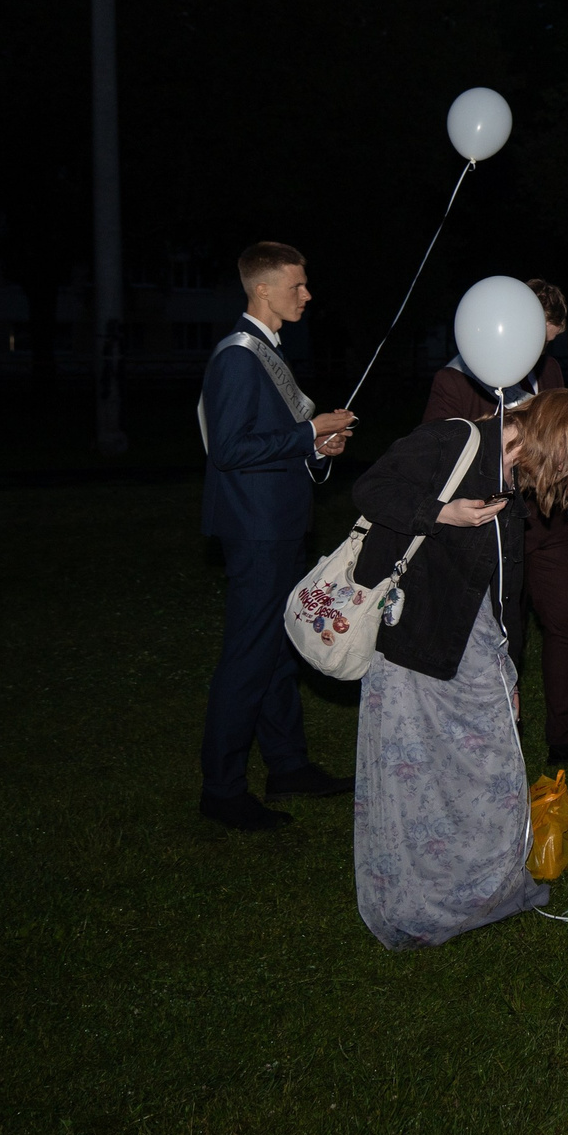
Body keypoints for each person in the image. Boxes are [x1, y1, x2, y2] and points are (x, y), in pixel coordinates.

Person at [350, 389, 568, 947]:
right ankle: (425, 896)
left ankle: (483, 886)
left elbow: (505, 590)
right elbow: (370, 489)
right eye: (565, 462)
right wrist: (443, 512)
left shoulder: (511, 482)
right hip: (415, 636)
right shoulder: (453, 440)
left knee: (493, 768)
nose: (555, 479)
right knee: (418, 776)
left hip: (474, 640)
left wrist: (509, 674)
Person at [421, 278, 568, 769]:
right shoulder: (454, 380)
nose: (542, 352)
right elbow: (434, 454)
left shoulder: (548, 370)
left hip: (547, 520)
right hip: (487, 527)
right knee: (501, 633)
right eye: (540, 339)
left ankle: (567, 733)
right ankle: (495, 735)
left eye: (549, 343)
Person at [197, 241, 357, 832]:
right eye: (297, 285)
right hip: (257, 531)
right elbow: (229, 449)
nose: (307, 295)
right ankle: (222, 789)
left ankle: (287, 765)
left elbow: (272, 440)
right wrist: (308, 432)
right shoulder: (239, 357)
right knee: (248, 657)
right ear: (262, 290)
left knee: (280, 647)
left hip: (280, 526)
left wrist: (316, 447)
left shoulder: (267, 350)